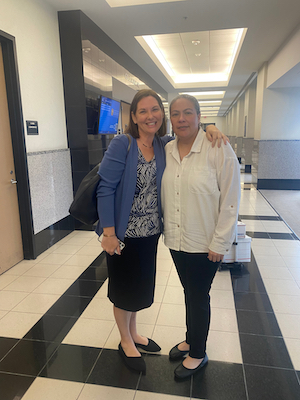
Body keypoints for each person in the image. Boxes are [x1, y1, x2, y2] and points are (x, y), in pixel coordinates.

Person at [96, 89, 226, 374]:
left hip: (151, 233)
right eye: (142, 111)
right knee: (123, 290)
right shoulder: (123, 143)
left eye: (154, 109)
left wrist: (210, 127)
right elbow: (104, 189)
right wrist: (108, 233)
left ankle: (135, 333)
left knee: (138, 289)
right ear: (133, 117)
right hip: (123, 234)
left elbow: (188, 130)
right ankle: (126, 341)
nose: (150, 115)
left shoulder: (163, 144)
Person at [161, 94, 240, 379]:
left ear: (198, 116)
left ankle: (198, 353)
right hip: (176, 239)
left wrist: (221, 242)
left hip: (205, 242)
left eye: (188, 113)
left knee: (198, 294)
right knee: (189, 292)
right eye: (176, 114)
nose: (181, 119)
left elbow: (231, 199)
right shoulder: (167, 148)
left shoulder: (217, 147)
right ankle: (190, 338)